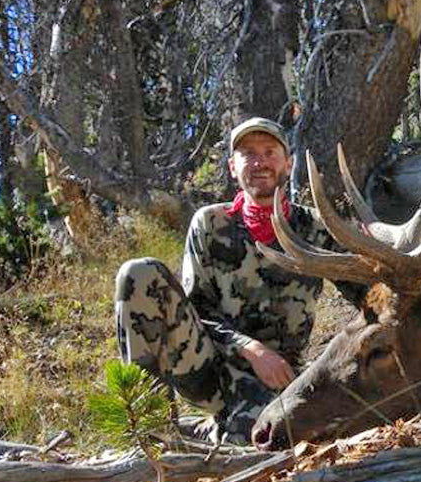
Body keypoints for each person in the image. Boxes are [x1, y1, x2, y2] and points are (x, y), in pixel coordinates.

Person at [115, 117, 353, 444]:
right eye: (248, 154)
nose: (260, 162)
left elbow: (370, 295)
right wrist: (250, 348)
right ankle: (148, 431)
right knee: (138, 273)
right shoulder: (210, 223)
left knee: (258, 442)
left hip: (280, 375)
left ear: (289, 163)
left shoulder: (315, 228)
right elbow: (197, 307)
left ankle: (207, 432)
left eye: (270, 152)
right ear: (232, 167)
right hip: (209, 366)